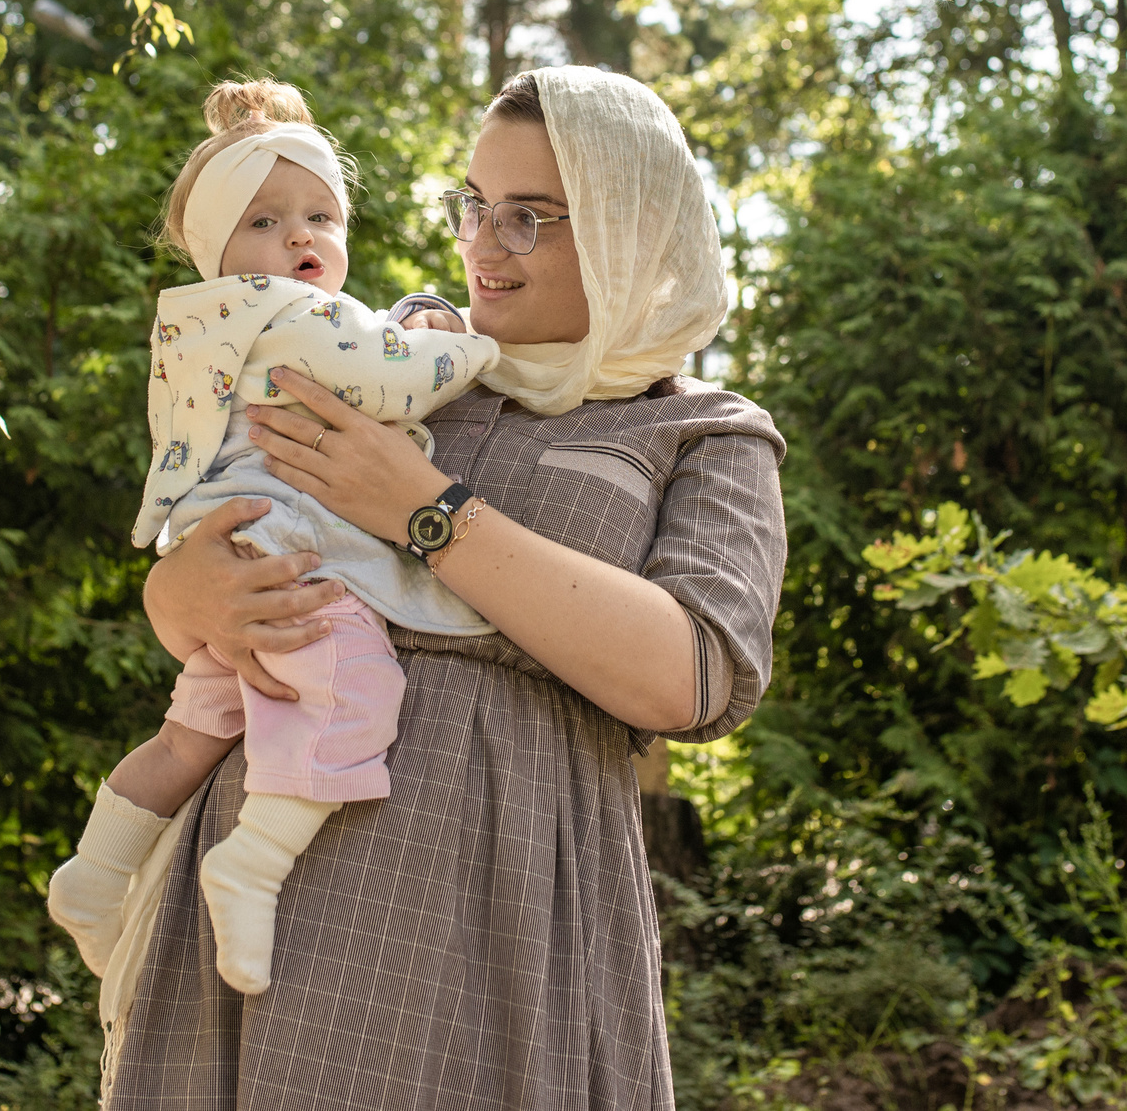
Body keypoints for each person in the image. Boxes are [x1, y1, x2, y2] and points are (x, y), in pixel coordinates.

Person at [101, 65, 789, 1110]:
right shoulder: (387, 352)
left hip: (507, 911)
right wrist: (178, 597)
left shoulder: (702, 431)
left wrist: (430, 510)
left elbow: (689, 678)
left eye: (528, 217)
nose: (483, 244)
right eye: (474, 204)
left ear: (626, 226)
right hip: (265, 888)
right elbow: (228, 510)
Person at [45, 80, 500, 996]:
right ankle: (252, 864)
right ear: (218, 250)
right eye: (264, 221)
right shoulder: (290, 313)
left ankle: (93, 873)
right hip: (292, 550)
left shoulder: (209, 325)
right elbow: (392, 380)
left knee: (194, 730)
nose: (300, 238)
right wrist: (472, 342)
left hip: (238, 546)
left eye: (320, 217)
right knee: (356, 687)